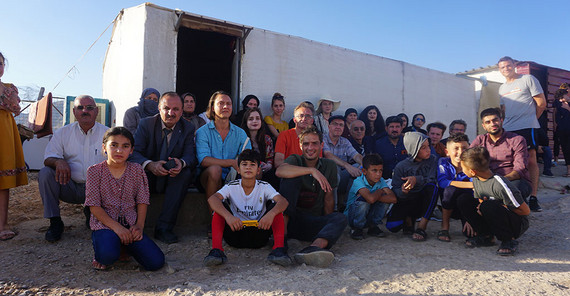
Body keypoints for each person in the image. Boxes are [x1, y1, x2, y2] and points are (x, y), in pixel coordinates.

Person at [86, 127, 165, 271]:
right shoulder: (94, 171)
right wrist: (118, 229)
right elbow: (94, 206)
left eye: (125, 146)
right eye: (114, 145)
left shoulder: (136, 170)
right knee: (107, 256)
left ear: (132, 150)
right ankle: (106, 247)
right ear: (104, 148)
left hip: (130, 225)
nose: (119, 151)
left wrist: (139, 226)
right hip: (106, 226)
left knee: (156, 262)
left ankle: (125, 246)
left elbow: (142, 200)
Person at [203, 149, 291, 267]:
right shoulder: (231, 186)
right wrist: (229, 217)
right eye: (244, 164)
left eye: (252, 165)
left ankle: (279, 250)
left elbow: (283, 202)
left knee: (277, 208)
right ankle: (216, 251)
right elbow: (212, 199)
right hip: (235, 232)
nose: (248, 168)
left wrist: (270, 215)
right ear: (238, 169)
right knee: (219, 207)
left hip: (259, 234)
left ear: (258, 170)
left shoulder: (264, 186)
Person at [276, 126, 347, 268]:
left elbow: (329, 198)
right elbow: (280, 170)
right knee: (290, 180)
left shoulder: (329, 165)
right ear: (300, 145)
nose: (310, 147)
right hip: (290, 220)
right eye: (306, 144)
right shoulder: (295, 159)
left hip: (312, 222)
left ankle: (312, 249)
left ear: (321, 145)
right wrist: (311, 170)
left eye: (314, 143)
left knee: (340, 218)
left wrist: (328, 223)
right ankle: (280, 244)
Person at [39, 95, 108, 242]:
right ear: (74, 111)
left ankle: (92, 211)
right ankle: (55, 222)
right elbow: (48, 158)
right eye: (80, 108)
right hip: (68, 185)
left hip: (97, 190)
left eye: (89, 108)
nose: (85, 111)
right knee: (45, 173)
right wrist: (58, 162)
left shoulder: (108, 134)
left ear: (96, 111)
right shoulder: (63, 133)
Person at [130, 92, 197, 244]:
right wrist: (150, 165)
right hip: (149, 176)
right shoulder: (146, 124)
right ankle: (133, 224)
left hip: (171, 177)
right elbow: (134, 153)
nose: (170, 113)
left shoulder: (187, 128)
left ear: (181, 111)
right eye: (166, 108)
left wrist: (181, 163)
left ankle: (164, 228)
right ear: (159, 108)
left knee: (185, 173)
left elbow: (191, 156)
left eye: (175, 109)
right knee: (135, 171)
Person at [457, 147, 530, 256]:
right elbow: (481, 199)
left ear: (472, 171)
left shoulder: (499, 185)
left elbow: (525, 211)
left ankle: (508, 240)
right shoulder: (477, 180)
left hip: (516, 224)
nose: (462, 170)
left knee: (488, 206)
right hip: (493, 216)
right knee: (464, 200)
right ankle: (486, 236)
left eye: (463, 168)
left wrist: (502, 207)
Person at [498, 56, 546, 212]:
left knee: (531, 160)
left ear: (514, 66)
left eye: (508, 66)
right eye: (502, 67)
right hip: (509, 128)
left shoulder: (528, 79)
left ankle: (533, 197)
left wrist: (531, 119)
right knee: (512, 162)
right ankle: (515, 195)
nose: (506, 69)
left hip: (527, 126)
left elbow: (541, 103)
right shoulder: (502, 88)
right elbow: (503, 111)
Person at [197, 91, 251, 205]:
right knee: (215, 169)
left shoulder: (240, 133)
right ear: (212, 108)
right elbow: (204, 160)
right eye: (221, 103)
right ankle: (215, 219)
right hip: (207, 177)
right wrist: (231, 162)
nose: (225, 106)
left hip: (233, 177)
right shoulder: (202, 132)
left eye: (229, 104)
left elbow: (248, 157)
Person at [470, 108, 532, 205]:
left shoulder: (517, 140)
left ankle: (519, 216)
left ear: (501, 121)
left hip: (513, 180)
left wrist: (498, 182)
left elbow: (520, 170)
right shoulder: (480, 140)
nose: (493, 124)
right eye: (488, 122)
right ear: (484, 126)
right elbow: (468, 160)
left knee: (512, 190)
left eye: (495, 120)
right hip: (488, 181)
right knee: (464, 198)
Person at [386, 132, 438, 242]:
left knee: (432, 188)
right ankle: (409, 219)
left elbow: (432, 180)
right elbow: (395, 189)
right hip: (407, 199)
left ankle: (421, 227)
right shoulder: (401, 166)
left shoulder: (432, 160)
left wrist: (416, 179)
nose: (428, 150)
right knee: (393, 227)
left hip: (423, 199)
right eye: (423, 148)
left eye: (428, 146)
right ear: (413, 149)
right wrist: (403, 191)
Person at [0, 52, 28, 241]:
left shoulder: (11, 88)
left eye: (1, 63)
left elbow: (14, 106)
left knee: (3, 182)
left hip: (4, 133)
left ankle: (2, 224)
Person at [345, 154, 397, 240]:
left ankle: (373, 226)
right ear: (364, 171)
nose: (378, 174)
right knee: (363, 201)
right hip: (353, 217)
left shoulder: (380, 181)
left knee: (385, 200)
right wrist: (379, 192)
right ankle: (357, 228)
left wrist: (375, 197)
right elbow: (370, 199)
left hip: (368, 213)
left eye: (380, 171)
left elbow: (393, 199)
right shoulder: (358, 181)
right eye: (374, 170)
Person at [436, 134, 473, 242]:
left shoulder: (473, 165)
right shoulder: (443, 162)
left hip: (467, 204)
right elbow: (443, 182)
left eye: (464, 148)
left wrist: (471, 218)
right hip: (448, 203)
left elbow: (477, 189)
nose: (460, 152)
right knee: (450, 190)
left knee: (469, 234)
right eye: (456, 148)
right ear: (447, 151)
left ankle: (469, 220)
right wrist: (469, 184)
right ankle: (445, 227)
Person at [322, 115, 363, 212]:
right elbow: (328, 155)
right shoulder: (322, 139)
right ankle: (334, 209)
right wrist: (347, 165)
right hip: (326, 177)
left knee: (358, 168)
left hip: (342, 177)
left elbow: (356, 155)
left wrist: (363, 164)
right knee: (334, 170)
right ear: (329, 126)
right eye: (335, 124)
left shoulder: (345, 141)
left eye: (341, 125)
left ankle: (346, 205)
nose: (338, 127)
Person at [274, 101, 319, 168]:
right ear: (294, 120)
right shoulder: (284, 135)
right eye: (301, 116)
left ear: (312, 121)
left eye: (308, 116)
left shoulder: (316, 138)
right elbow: (278, 163)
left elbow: (319, 162)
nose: (304, 119)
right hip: (290, 174)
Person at [240, 108, 275, 183]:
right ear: (246, 122)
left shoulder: (267, 139)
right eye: (251, 119)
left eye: (257, 118)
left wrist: (269, 165)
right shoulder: (241, 138)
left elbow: (270, 157)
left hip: (264, 171)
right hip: (246, 169)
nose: (255, 121)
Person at [369, 116, 407, 180]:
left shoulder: (408, 143)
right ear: (386, 128)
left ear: (401, 128)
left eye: (397, 127)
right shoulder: (379, 144)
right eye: (392, 127)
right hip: (385, 180)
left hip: (406, 178)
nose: (394, 130)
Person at [554, 84, 570, 177]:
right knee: (565, 149)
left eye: (562, 97)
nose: (561, 100)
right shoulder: (559, 104)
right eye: (559, 99)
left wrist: (568, 108)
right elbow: (556, 114)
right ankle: (568, 171)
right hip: (563, 129)